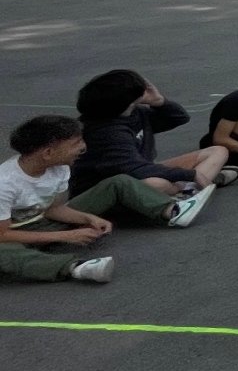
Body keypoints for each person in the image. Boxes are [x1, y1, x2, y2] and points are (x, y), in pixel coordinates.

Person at [0, 115, 214, 284]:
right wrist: (67, 235)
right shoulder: (5, 183)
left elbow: (52, 208)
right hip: (11, 237)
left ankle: (173, 211)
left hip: (43, 222)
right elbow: (3, 234)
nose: (83, 147)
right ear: (48, 153)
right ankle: (76, 267)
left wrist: (87, 218)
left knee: (118, 182)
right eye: (75, 143)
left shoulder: (60, 167)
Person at [74, 69, 232, 194]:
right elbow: (133, 169)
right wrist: (191, 174)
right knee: (156, 184)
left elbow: (178, 118)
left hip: (140, 168)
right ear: (128, 100)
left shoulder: (133, 113)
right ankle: (186, 189)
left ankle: (188, 189)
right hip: (109, 184)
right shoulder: (106, 131)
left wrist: (159, 102)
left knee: (217, 151)